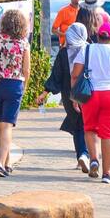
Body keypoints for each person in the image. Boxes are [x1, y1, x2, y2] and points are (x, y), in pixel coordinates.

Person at [71, 22, 110, 184]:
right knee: (108, 134)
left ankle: (94, 159)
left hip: (90, 95)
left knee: (89, 129)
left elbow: (75, 74)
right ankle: (107, 173)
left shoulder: (87, 50)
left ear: (98, 36)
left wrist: (74, 97)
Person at [36, 23, 90, 173]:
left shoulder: (63, 53)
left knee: (77, 125)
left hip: (69, 95)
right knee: (87, 125)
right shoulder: (90, 50)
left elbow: (56, 76)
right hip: (89, 93)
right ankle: (86, 155)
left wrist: (44, 93)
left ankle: (82, 155)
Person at [0, 9, 30, 178]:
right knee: (7, 126)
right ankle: (1, 164)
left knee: (2, 125)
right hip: (15, 84)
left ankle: (7, 162)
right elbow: (26, 70)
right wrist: (25, 86)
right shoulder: (23, 43)